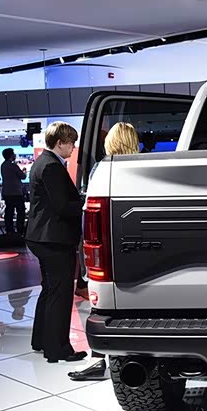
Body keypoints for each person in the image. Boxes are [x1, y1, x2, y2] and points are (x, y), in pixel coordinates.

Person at [69, 122, 140, 381]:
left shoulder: (102, 169)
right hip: (140, 245)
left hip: (109, 247)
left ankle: (98, 360)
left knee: (102, 306)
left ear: (111, 142)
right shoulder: (144, 168)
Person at [26, 122, 87, 363]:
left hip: (42, 236)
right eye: (71, 142)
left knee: (50, 290)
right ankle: (58, 349)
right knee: (60, 294)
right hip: (53, 238)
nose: (73, 147)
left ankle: (41, 340)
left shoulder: (43, 162)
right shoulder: (52, 166)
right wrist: (86, 205)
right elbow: (62, 206)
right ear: (60, 142)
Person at [0, 148, 27, 234]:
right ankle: (20, 229)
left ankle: (9, 229)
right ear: (11, 155)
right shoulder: (13, 166)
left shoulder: (3, 165)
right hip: (16, 192)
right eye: (13, 153)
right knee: (20, 212)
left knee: (9, 212)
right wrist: (24, 171)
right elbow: (23, 176)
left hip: (6, 192)